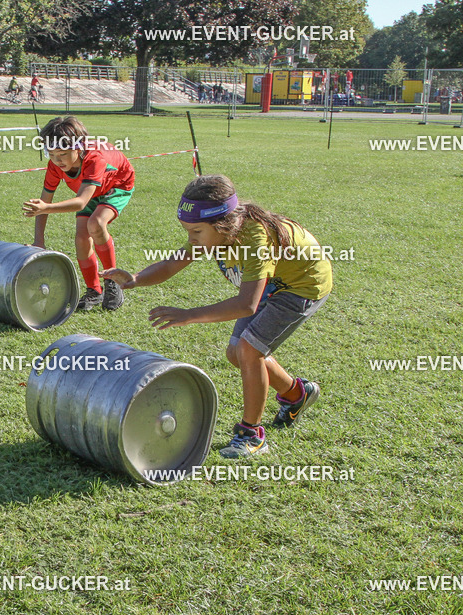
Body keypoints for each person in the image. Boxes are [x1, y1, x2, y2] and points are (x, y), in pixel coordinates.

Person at [101, 174, 332, 458]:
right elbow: (173, 263)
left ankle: (252, 435)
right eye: (187, 230)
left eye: (196, 231)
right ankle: (297, 394)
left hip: (301, 285)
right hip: (269, 285)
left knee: (249, 350)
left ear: (224, 224)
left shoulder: (254, 239)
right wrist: (136, 279)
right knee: (236, 353)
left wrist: (188, 315)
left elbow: (246, 305)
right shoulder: (213, 232)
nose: (191, 239)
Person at [23, 116, 135, 312]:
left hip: (117, 185)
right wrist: (38, 241)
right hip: (90, 189)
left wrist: (45, 207)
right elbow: (45, 200)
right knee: (82, 238)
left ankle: (113, 282)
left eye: (63, 154)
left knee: (96, 224)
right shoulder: (55, 165)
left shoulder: (95, 159)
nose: (57, 160)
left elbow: (81, 201)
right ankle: (94, 291)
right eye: (51, 154)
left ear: (79, 147)